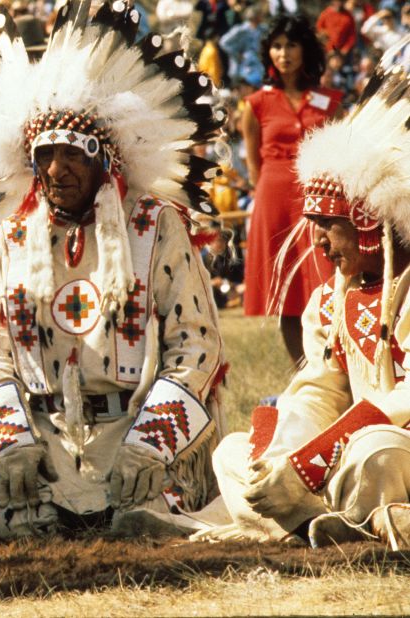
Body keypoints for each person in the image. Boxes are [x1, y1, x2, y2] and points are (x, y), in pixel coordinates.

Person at [0, 0, 227, 538]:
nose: (57, 170)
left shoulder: (156, 227)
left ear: (105, 161)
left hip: (133, 428)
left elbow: (196, 348)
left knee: (144, 522)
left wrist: (150, 445)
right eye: (46, 155)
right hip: (44, 437)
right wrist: (12, 447)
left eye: (74, 155)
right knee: (11, 524)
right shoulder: (16, 235)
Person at [200, 65, 410, 549]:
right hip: (350, 447)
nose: (317, 241)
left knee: (373, 455)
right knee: (235, 456)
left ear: (370, 224)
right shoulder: (336, 296)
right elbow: (321, 388)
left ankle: (315, 520)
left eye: (328, 224)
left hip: (388, 448)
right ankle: (337, 522)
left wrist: (314, 458)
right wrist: (281, 459)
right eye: (313, 223)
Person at [241, 14, 340, 362]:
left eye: (291, 45)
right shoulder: (255, 104)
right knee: (288, 292)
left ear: (305, 49)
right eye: (277, 46)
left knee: (328, 282)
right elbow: (253, 160)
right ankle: (303, 374)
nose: (283, 53)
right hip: (275, 199)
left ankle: (334, 365)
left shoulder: (330, 100)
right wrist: (262, 192)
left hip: (320, 198)